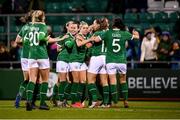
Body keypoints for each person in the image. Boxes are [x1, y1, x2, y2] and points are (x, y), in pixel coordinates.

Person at [25, 10, 64, 111]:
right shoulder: (42, 26)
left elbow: (24, 40)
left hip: (31, 55)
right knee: (44, 80)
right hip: (41, 54)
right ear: (42, 17)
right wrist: (58, 39)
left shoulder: (29, 27)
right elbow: (42, 37)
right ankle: (42, 103)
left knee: (32, 79)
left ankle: (29, 101)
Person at [103, 18, 139, 108]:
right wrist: (135, 32)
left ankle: (114, 101)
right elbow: (137, 38)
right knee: (123, 80)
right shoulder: (124, 33)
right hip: (121, 61)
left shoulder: (108, 33)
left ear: (113, 24)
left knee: (112, 81)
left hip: (110, 60)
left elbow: (96, 39)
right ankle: (125, 101)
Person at [69, 21, 93, 108]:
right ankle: (73, 102)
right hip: (74, 60)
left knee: (83, 82)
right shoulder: (78, 35)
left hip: (81, 62)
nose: (86, 30)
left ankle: (78, 101)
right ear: (80, 29)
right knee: (76, 81)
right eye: (84, 28)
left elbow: (89, 46)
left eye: (87, 28)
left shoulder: (84, 37)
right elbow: (79, 44)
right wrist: (89, 40)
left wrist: (88, 39)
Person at [87, 18, 110, 108]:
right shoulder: (108, 33)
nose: (93, 26)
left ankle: (94, 100)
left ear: (98, 25)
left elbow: (89, 44)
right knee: (104, 82)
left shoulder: (97, 33)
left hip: (97, 57)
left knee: (90, 80)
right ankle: (106, 103)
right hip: (106, 57)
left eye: (94, 24)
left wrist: (89, 34)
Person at [14, 10, 34, 108]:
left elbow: (17, 41)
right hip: (33, 56)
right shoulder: (36, 27)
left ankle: (19, 95)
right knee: (34, 80)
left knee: (27, 79)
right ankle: (30, 101)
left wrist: (24, 45)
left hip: (24, 56)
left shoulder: (24, 27)